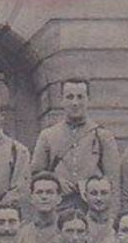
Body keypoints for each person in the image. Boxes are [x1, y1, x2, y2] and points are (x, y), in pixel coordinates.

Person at [31, 79, 120, 214]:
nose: (75, 103)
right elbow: (36, 174)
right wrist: (56, 181)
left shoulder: (103, 136)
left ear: (88, 100)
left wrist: (112, 218)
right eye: (69, 97)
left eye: (80, 97)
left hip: (92, 210)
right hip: (58, 210)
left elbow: (113, 181)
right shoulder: (48, 135)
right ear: (62, 101)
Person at [19, 173, 65, 243]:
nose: (44, 197)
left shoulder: (65, 230)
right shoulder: (22, 232)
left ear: (59, 198)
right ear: (31, 198)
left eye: (49, 192)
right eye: (39, 192)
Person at [81, 174, 119, 243]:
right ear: (85, 196)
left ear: (112, 195)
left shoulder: (118, 226)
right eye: (93, 193)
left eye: (104, 193)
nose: (99, 198)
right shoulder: (79, 226)